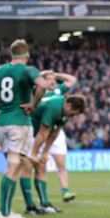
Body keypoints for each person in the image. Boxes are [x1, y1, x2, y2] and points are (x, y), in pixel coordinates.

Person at [0, 39, 48, 218]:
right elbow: (43, 85)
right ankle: (5, 213)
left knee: (15, 166)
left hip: (1, 124)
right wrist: (33, 104)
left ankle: (9, 210)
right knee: (14, 167)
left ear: (12, 54)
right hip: (19, 123)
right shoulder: (29, 70)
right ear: (27, 55)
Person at [21, 94, 86, 215]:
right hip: (25, 130)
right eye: (73, 113)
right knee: (28, 166)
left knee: (41, 167)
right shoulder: (54, 107)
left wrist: (45, 152)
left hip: (35, 134)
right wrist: (34, 154)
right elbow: (43, 132)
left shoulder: (65, 112)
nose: (72, 116)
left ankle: (44, 204)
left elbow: (54, 133)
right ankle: (29, 206)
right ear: (68, 105)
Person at [40, 70, 78, 202]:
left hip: (56, 131)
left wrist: (56, 74)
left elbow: (72, 80)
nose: (52, 81)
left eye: (53, 79)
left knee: (61, 164)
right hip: (41, 131)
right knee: (41, 165)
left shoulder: (58, 91)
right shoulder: (37, 91)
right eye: (49, 79)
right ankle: (43, 197)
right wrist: (41, 74)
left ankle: (65, 192)